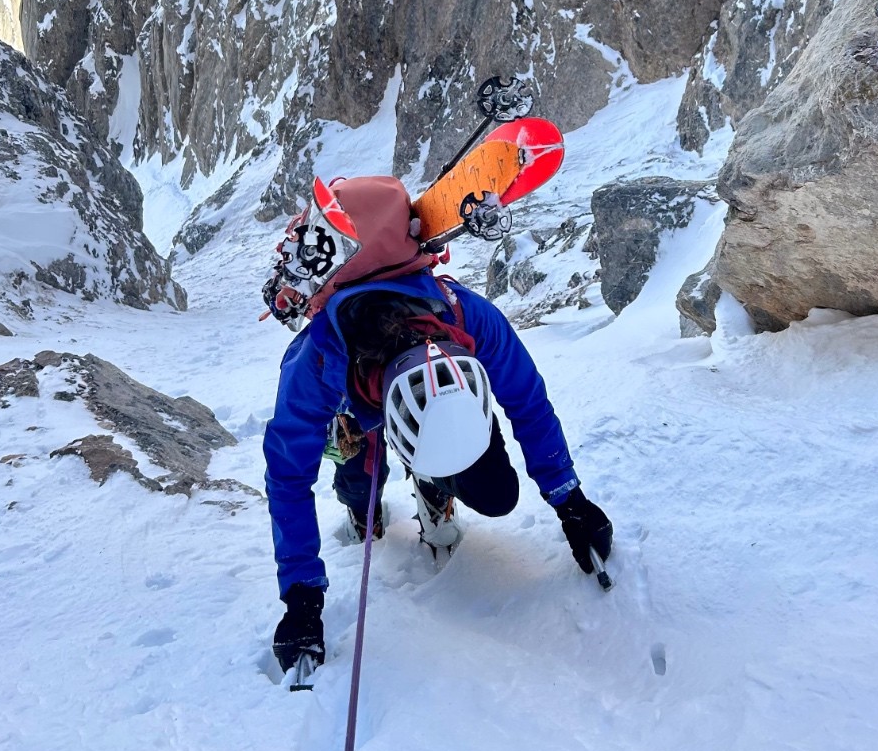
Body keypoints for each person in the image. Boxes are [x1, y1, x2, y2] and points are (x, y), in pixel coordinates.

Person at [262, 174, 614, 677]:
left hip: (427, 390)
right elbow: (288, 473)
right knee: (360, 483)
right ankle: (365, 501)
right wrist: (301, 596)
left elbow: (527, 401)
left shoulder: (467, 316)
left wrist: (569, 500)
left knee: (497, 495)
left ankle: (431, 473)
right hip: (355, 406)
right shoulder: (318, 358)